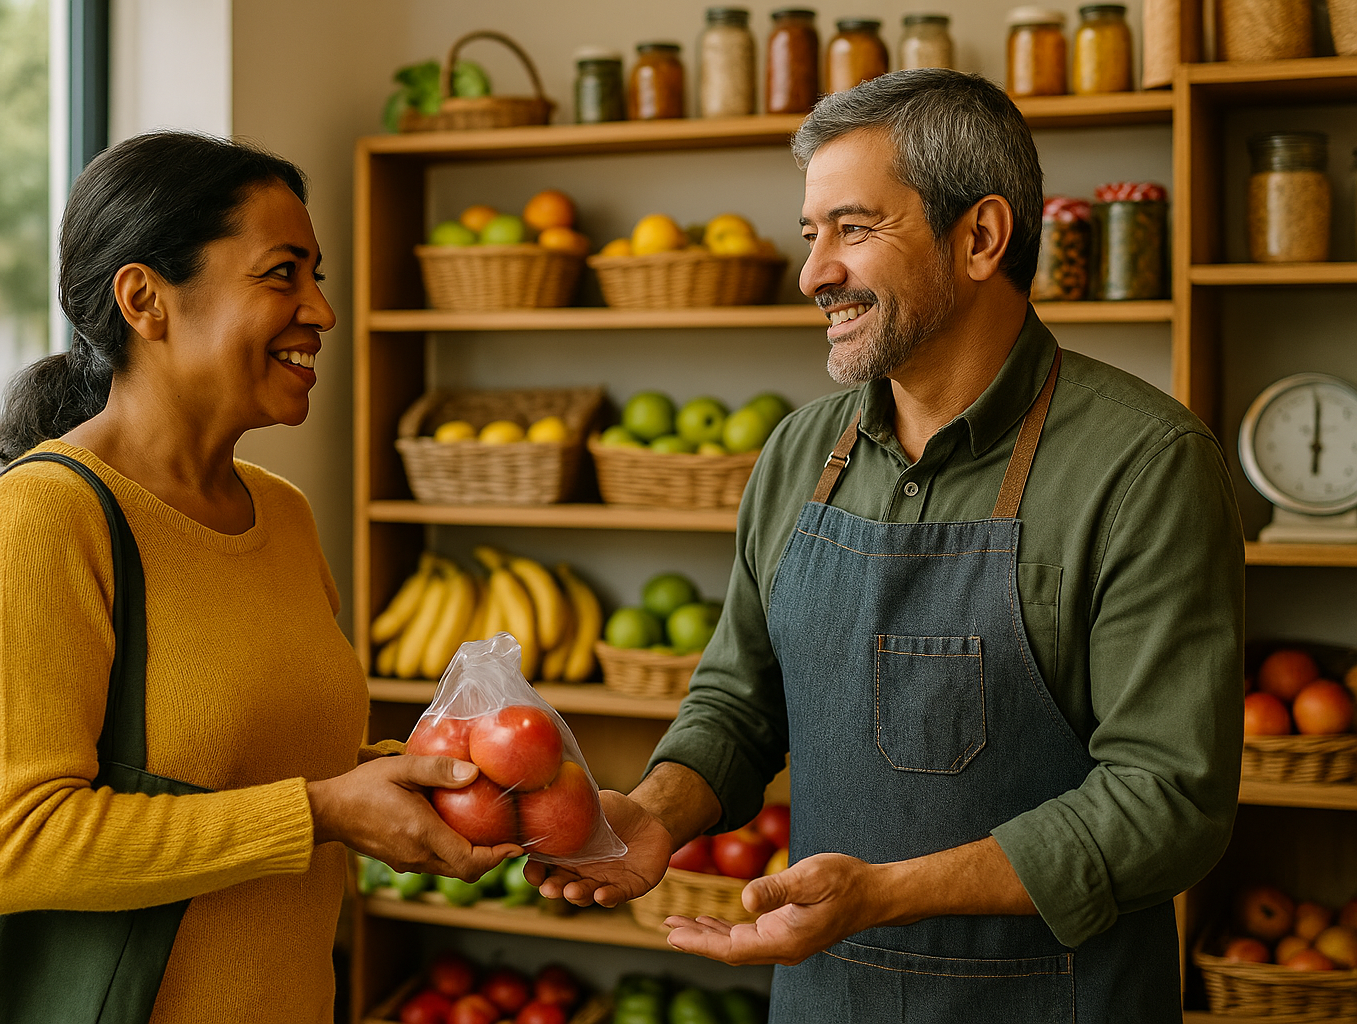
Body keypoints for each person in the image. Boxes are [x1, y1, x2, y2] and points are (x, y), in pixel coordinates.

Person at [528, 70, 1244, 1021]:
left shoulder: (1146, 466)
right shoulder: (798, 452)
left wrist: (886, 894)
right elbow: (740, 699)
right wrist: (655, 814)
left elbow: (1169, 803)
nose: (813, 274)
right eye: (810, 234)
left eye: (854, 229)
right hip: (824, 998)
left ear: (980, 238)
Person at [0, 131, 518, 1024]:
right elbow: (14, 849)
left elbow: (279, 771)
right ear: (145, 299)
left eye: (316, 275)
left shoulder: (281, 513)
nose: (323, 310)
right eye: (283, 274)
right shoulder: (46, 518)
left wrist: (424, 786)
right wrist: (324, 813)